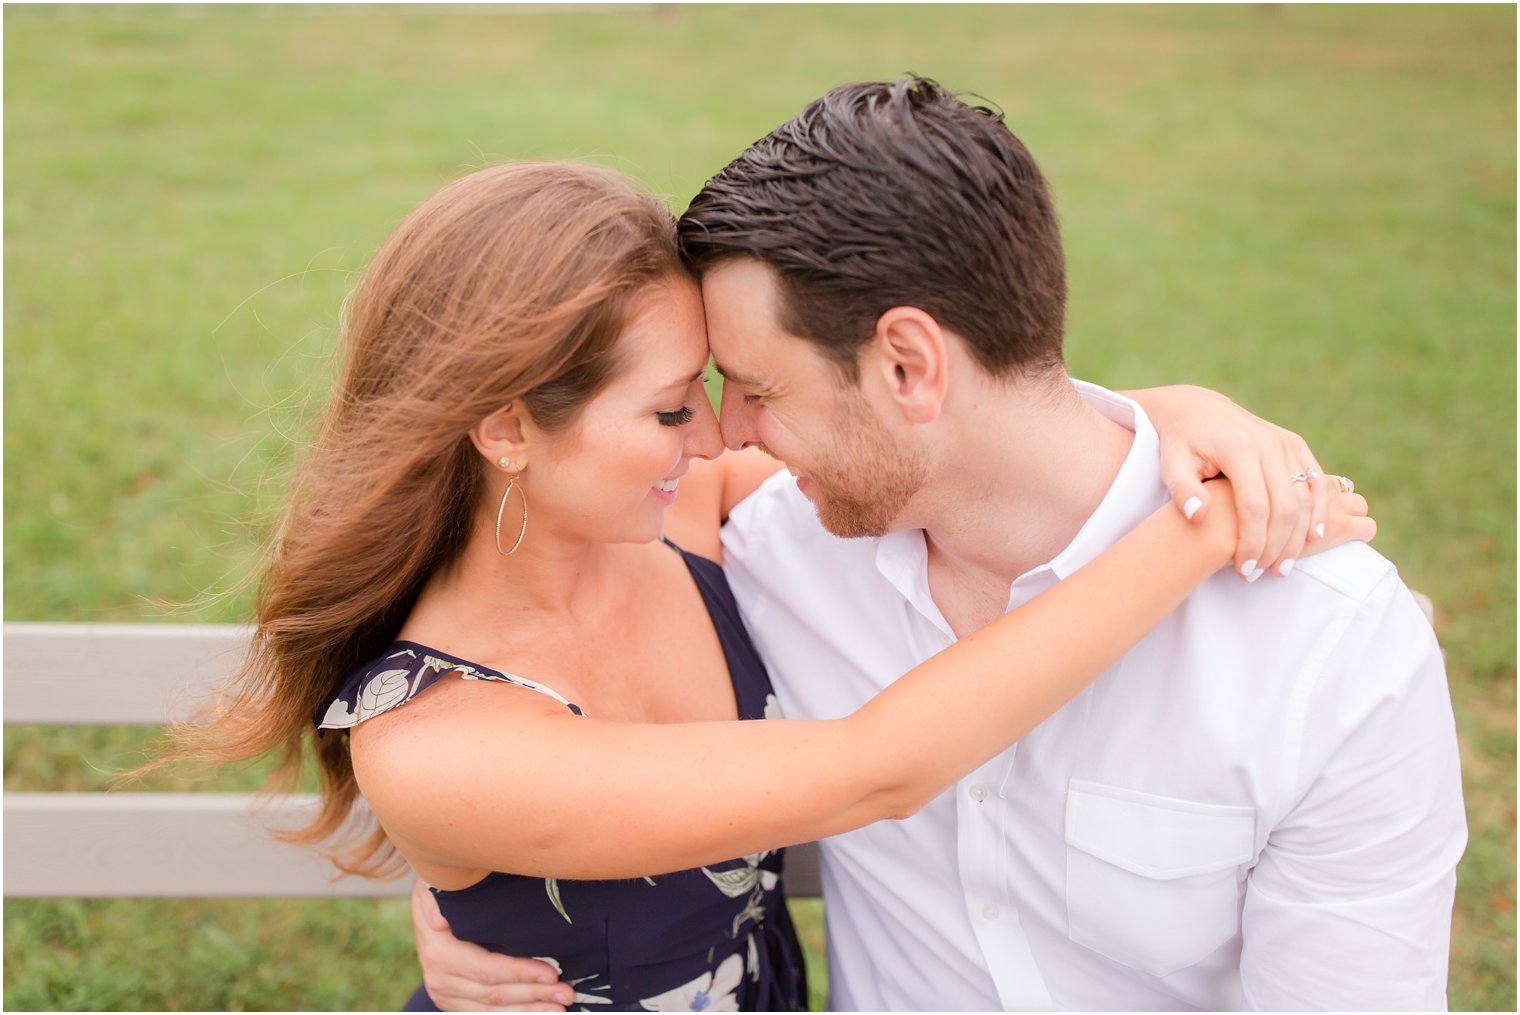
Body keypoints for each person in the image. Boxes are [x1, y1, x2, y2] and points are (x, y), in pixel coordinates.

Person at [421, 79, 1466, 1011]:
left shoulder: (1320, 644)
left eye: (758, 388)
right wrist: (470, 884)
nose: (725, 434)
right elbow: (511, 638)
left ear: (909, 367)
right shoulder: (774, 542)